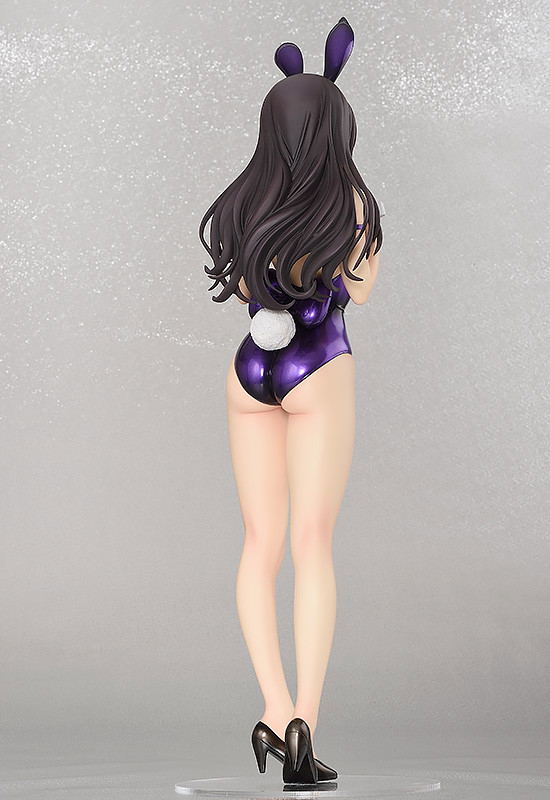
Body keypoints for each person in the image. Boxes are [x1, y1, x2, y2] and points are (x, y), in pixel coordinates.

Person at [199, 17, 383, 785]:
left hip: (250, 370)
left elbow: (247, 285)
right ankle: (305, 716)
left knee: (258, 542)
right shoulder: (352, 203)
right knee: (312, 544)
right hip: (318, 366)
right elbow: (360, 292)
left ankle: (271, 708)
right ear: (339, 128)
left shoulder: (247, 199)